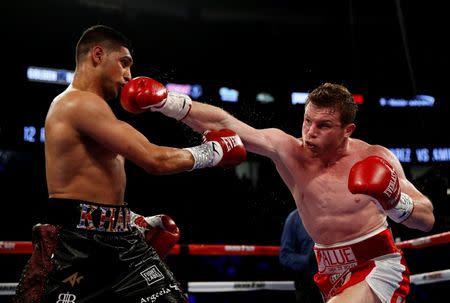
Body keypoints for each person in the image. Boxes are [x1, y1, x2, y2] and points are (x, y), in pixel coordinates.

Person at [120, 77, 435, 303]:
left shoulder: (374, 157)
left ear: (347, 130)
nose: (310, 132)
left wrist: (396, 201)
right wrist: (168, 103)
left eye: (323, 126)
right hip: (327, 272)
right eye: (307, 121)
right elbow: (226, 122)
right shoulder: (289, 151)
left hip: (376, 266)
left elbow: (427, 218)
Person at [13, 25, 247, 303]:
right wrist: (213, 151)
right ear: (97, 55)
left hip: (123, 243)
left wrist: (130, 220)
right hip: (75, 248)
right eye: (124, 63)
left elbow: (95, 187)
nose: (129, 76)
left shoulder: (97, 111)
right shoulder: (76, 104)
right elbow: (154, 160)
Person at [280, 209, 323, 303]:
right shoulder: (294, 219)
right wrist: (308, 259)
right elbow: (285, 256)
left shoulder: (333, 215)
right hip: (307, 284)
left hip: (333, 282)